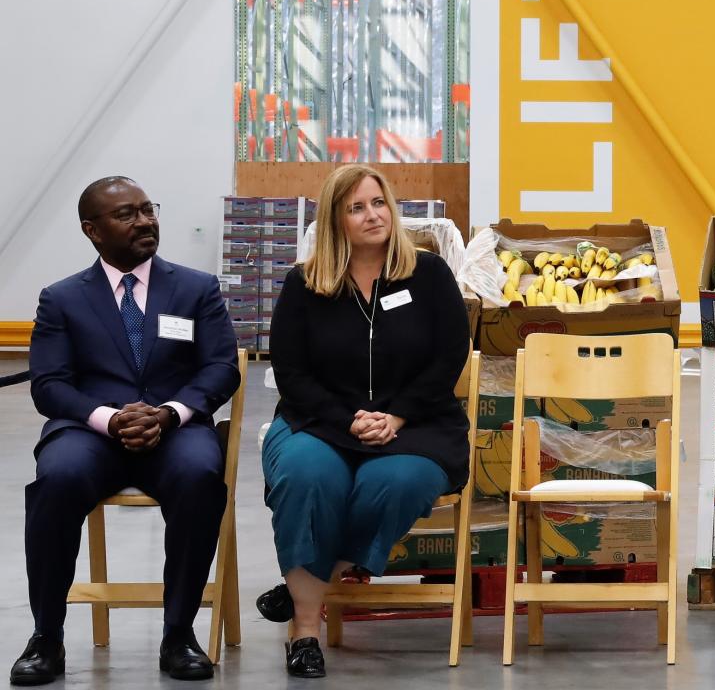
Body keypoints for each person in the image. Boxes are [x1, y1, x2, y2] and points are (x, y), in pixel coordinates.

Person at [17, 177, 240, 685]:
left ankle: (179, 634)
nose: (144, 221)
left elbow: (220, 367)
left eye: (148, 209)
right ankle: (46, 637)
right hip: (88, 431)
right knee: (56, 479)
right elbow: (49, 384)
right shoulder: (61, 299)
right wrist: (109, 418)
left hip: (176, 428)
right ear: (92, 230)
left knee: (201, 476)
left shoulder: (196, 287)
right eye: (127, 215)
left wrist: (169, 412)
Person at [256, 165, 469, 678]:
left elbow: (449, 357)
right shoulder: (305, 284)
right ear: (335, 220)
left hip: (417, 423)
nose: (372, 215)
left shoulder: (430, 274)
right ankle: (306, 632)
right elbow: (291, 371)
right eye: (356, 207)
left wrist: (396, 415)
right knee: (309, 477)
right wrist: (348, 420)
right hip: (319, 421)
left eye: (378, 202)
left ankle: (306, 584)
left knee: (393, 482)